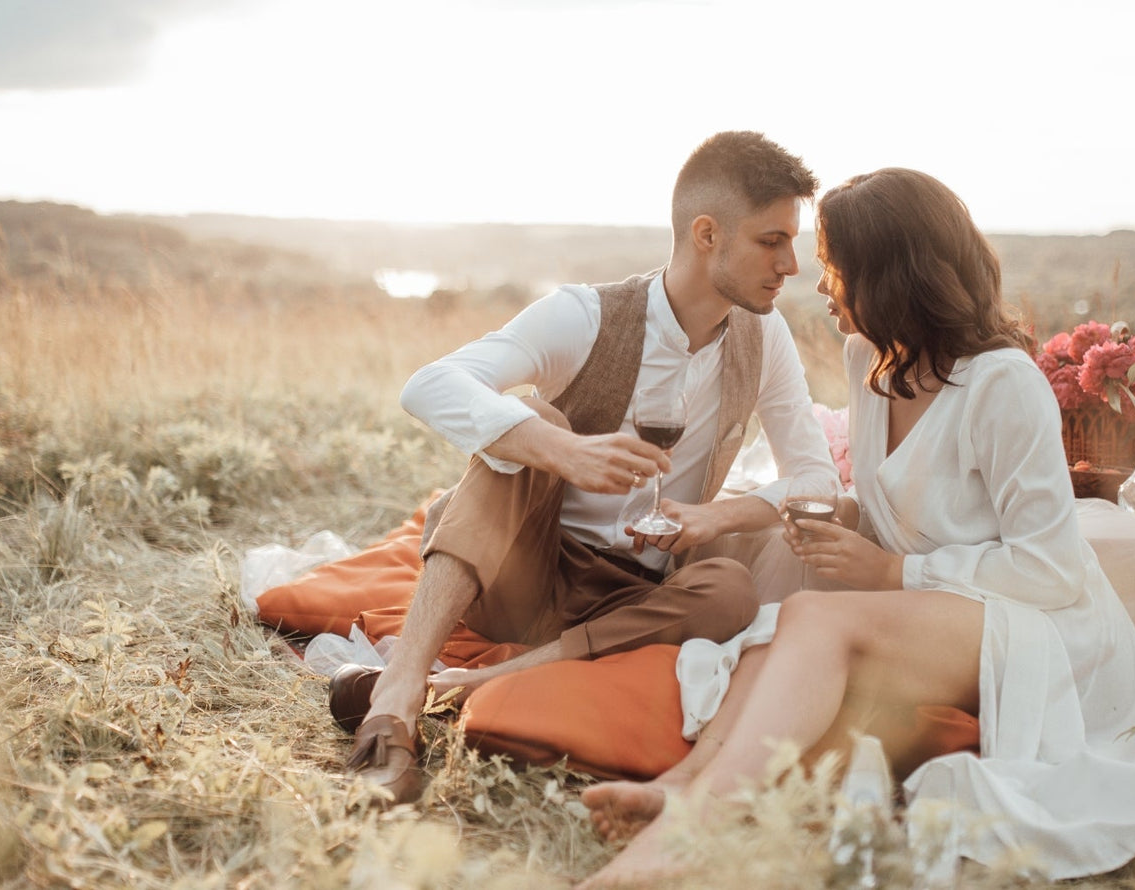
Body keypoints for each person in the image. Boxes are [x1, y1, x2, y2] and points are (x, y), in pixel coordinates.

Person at [577, 169, 1135, 885]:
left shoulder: (1003, 383)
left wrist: (890, 574)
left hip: (1047, 631)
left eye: (834, 267)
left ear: (890, 277)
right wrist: (841, 526)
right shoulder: (867, 362)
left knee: (821, 622)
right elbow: (904, 508)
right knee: (795, 618)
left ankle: (687, 840)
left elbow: (1051, 569)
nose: (818, 284)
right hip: (950, 617)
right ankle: (681, 786)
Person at [332, 131, 845, 805]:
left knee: (730, 589)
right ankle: (398, 695)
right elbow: (430, 384)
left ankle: (479, 687)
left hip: (628, 599)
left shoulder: (764, 336)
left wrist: (714, 517)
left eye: (792, 241)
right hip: (522, 573)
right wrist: (565, 451)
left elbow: (816, 481)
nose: (790, 264)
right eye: (771, 241)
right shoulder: (583, 315)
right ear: (707, 233)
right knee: (533, 422)